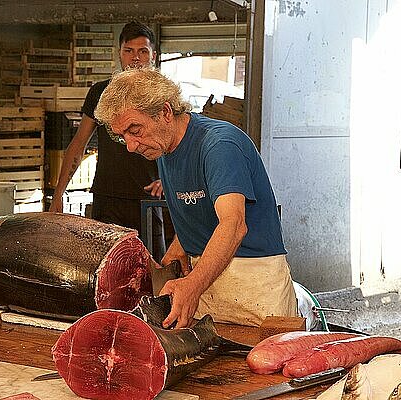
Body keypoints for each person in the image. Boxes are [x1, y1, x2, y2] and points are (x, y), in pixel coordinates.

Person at [95, 67, 298, 329]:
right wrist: (175, 253)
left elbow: (233, 225)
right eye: (123, 137)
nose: (132, 145)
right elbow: (201, 209)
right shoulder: (164, 149)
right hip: (208, 285)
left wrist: (193, 284)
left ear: (165, 112)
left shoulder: (219, 145)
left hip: (255, 286)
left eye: (135, 129)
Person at [49, 21, 167, 258]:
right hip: (108, 197)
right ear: (119, 53)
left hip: (148, 198)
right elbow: (77, 144)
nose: (136, 58)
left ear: (153, 55)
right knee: (105, 269)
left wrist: (169, 179)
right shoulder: (101, 92)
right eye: (129, 51)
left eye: (143, 51)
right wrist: (58, 194)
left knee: (153, 269)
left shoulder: (162, 94)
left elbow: (178, 142)